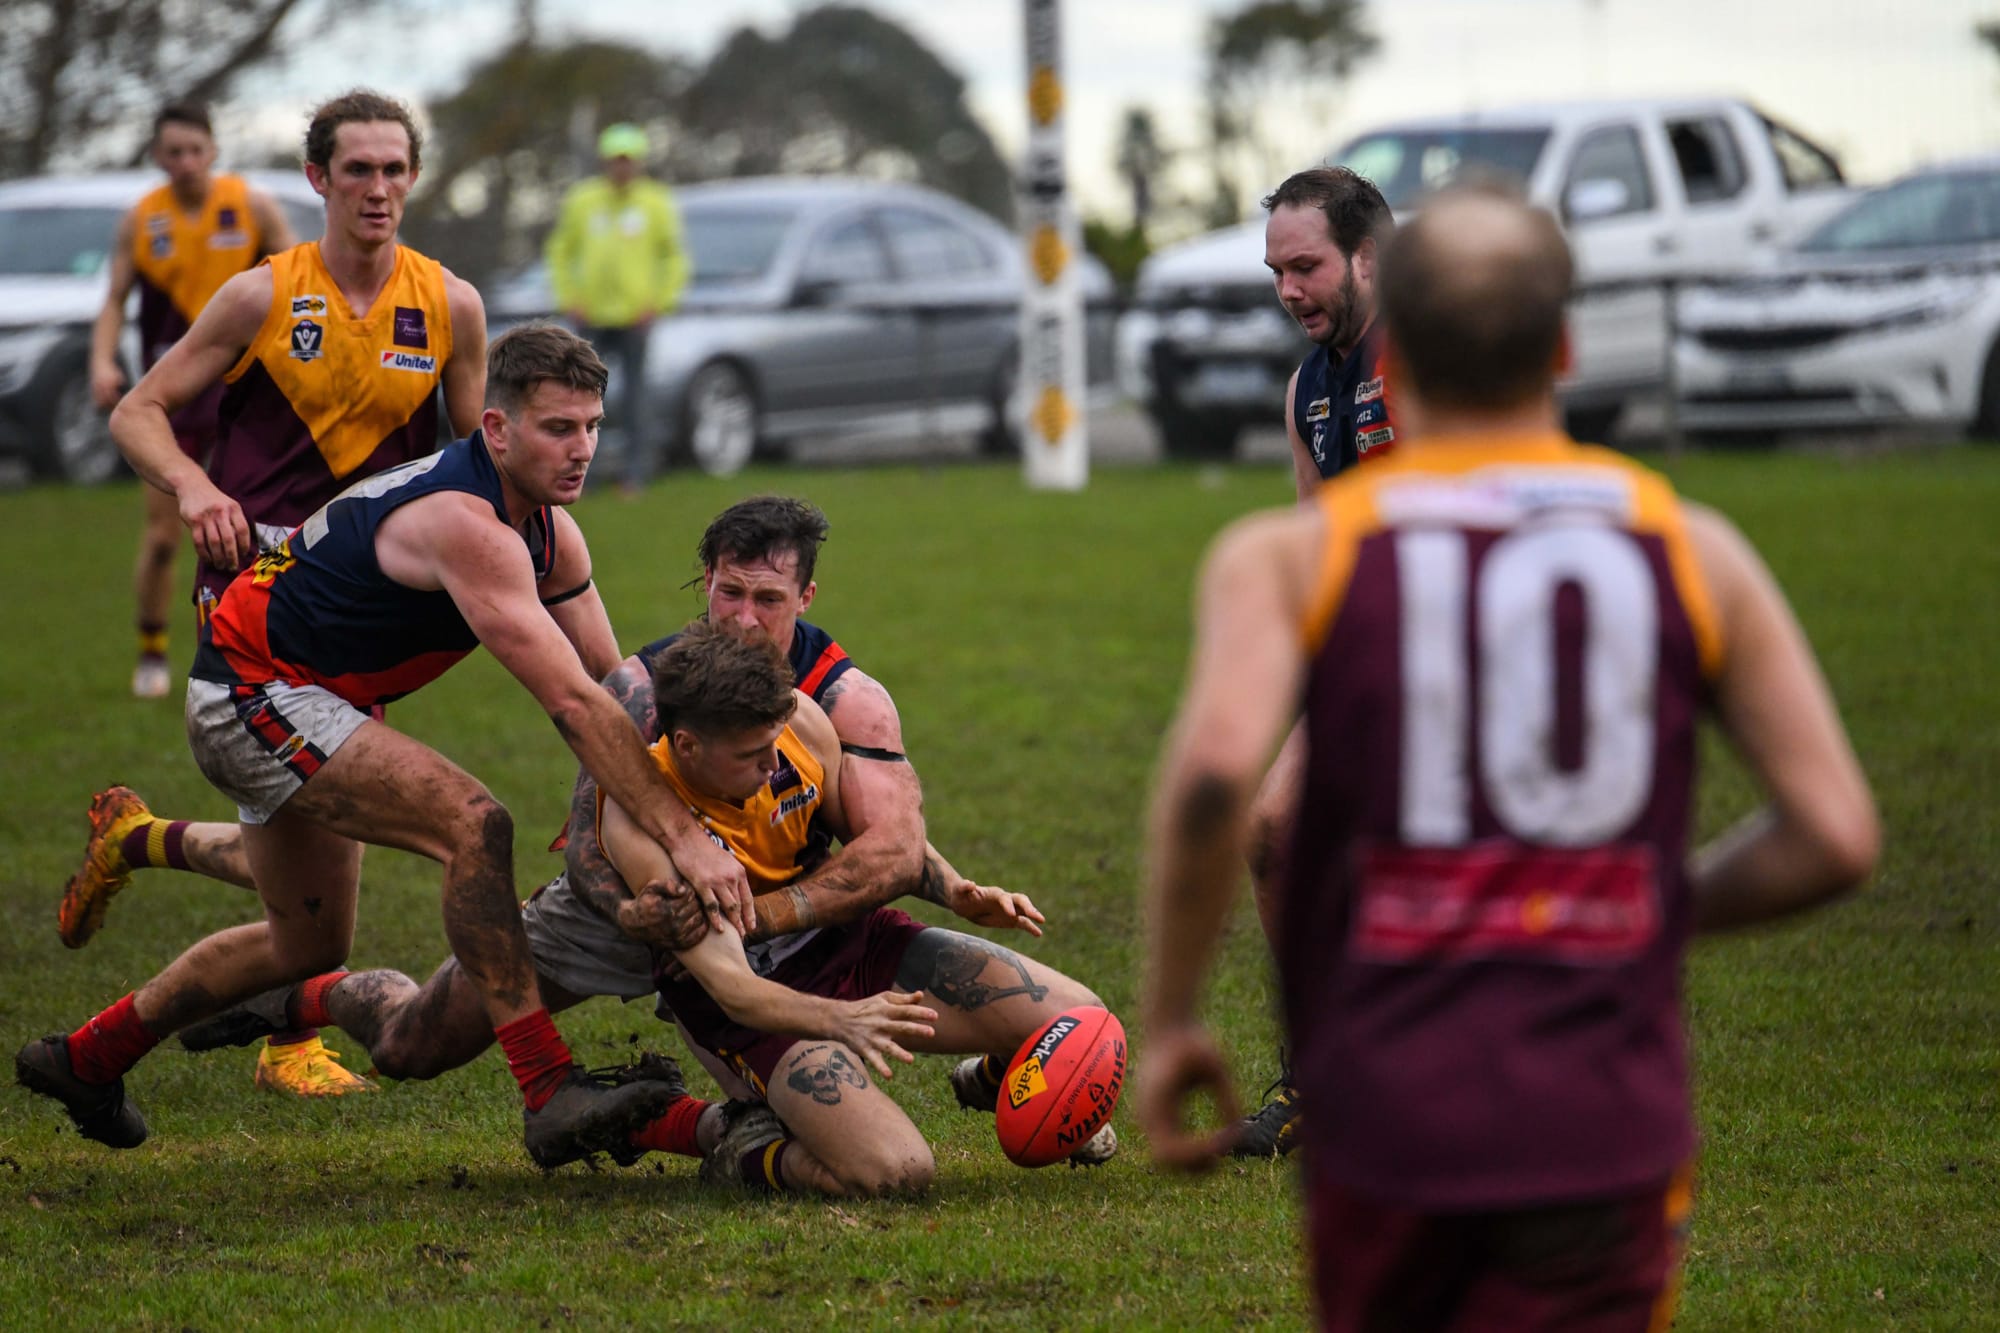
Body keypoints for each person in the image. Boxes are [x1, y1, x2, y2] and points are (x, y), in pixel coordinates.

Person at [1138, 183, 1878, 1330]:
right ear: (1564, 348)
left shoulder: (1277, 561)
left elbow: (1206, 783)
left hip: (1393, 1120)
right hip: (1599, 1120)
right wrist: (1647, 905)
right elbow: (1834, 834)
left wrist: (1176, 1015)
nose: (1287, 290)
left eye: (1302, 268)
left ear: (1399, 353)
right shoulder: (1696, 550)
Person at [16, 323, 755, 1169]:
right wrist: (687, 840)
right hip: (250, 691)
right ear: (496, 429)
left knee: (306, 945)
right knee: (474, 823)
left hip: (312, 694)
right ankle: (548, 1087)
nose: (582, 448)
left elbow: (615, 685)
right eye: (559, 428)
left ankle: (85, 1059)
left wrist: (708, 762)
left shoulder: (550, 533)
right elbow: (572, 704)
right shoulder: (467, 525)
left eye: (592, 426)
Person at [62, 495, 1043, 1111]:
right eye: (727, 593)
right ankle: (304, 995)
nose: (743, 618)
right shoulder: (645, 690)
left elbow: (885, 838)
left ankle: (732, 1118)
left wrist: (946, 885)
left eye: (768, 600)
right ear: (704, 582)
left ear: (807, 599)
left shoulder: (840, 700)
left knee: (780, 1084)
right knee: (411, 1043)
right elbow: (583, 847)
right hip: (608, 922)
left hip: (740, 939)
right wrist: (636, 913)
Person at [175, 620, 1105, 1195]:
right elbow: (733, 991)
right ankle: (740, 1142)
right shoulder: (645, 830)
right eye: (749, 758)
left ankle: (989, 1077)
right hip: (753, 1001)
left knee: (1083, 1020)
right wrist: (843, 1020)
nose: (772, 767)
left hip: (847, 944)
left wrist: (951, 884)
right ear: (686, 746)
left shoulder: (796, 725)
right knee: (897, 1174)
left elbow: (869, 832)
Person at [82, 89, 489, 1098]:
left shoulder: (451, 305)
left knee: (302, 843)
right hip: (256, 597)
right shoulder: (262, 296)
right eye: (358, 169)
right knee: (317, 837)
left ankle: (140, 842)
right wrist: (193, 486)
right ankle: (285, 1044)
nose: (378, 189)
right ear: (318, 178)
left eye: (394, 170)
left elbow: (482, 463)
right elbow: (138, 412)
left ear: (414, 179)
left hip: (364, 604)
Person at [1233, 165, 1399, 1158]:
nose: (1289, 290)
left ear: (1366, 256)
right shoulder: (1309, 389)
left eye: (1307, 267)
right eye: (1276, 273)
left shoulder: (1428, 360)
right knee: (1272, 830)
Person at [90, 102, 296, 698]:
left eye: (194, 150)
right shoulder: (141, 219)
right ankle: (152, 649)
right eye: (173, 152)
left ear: (213, 150)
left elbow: (303, 281)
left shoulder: (252, 206)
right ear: (158, 156)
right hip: (173, 396)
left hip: (245, 393)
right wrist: (102, 361)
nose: (185, 162)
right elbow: (113, 301)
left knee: (258, 530)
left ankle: (264, 649)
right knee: (163, 537)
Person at [544, 123, 687, 492]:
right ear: (605, 161)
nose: (622, 167)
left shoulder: (655, 202)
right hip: (590, 317)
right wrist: (569, 298)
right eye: (616, 160)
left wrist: (658, 303)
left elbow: (673, 257)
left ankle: (636, 472)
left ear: (638, 162)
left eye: (628, 160)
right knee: (583, 397)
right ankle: (582, 471)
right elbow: (560, 251)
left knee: (637, 395)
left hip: (635, 318)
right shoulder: (583, 200)